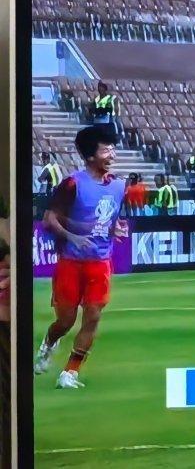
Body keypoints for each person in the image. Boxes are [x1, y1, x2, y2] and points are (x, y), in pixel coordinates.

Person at [33, 127, 129, 388]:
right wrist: (72, 236)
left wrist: (115, 228)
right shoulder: (72, 184)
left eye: (113, 149)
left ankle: (70, 372)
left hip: (100, 261)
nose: (112, 155)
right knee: (65, 321)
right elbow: (49, 219)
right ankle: (49, 342)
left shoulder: (119, 186)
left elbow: (109, 219)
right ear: (90, 156)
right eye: (105, 150)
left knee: (93, 316)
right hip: (70, 261)